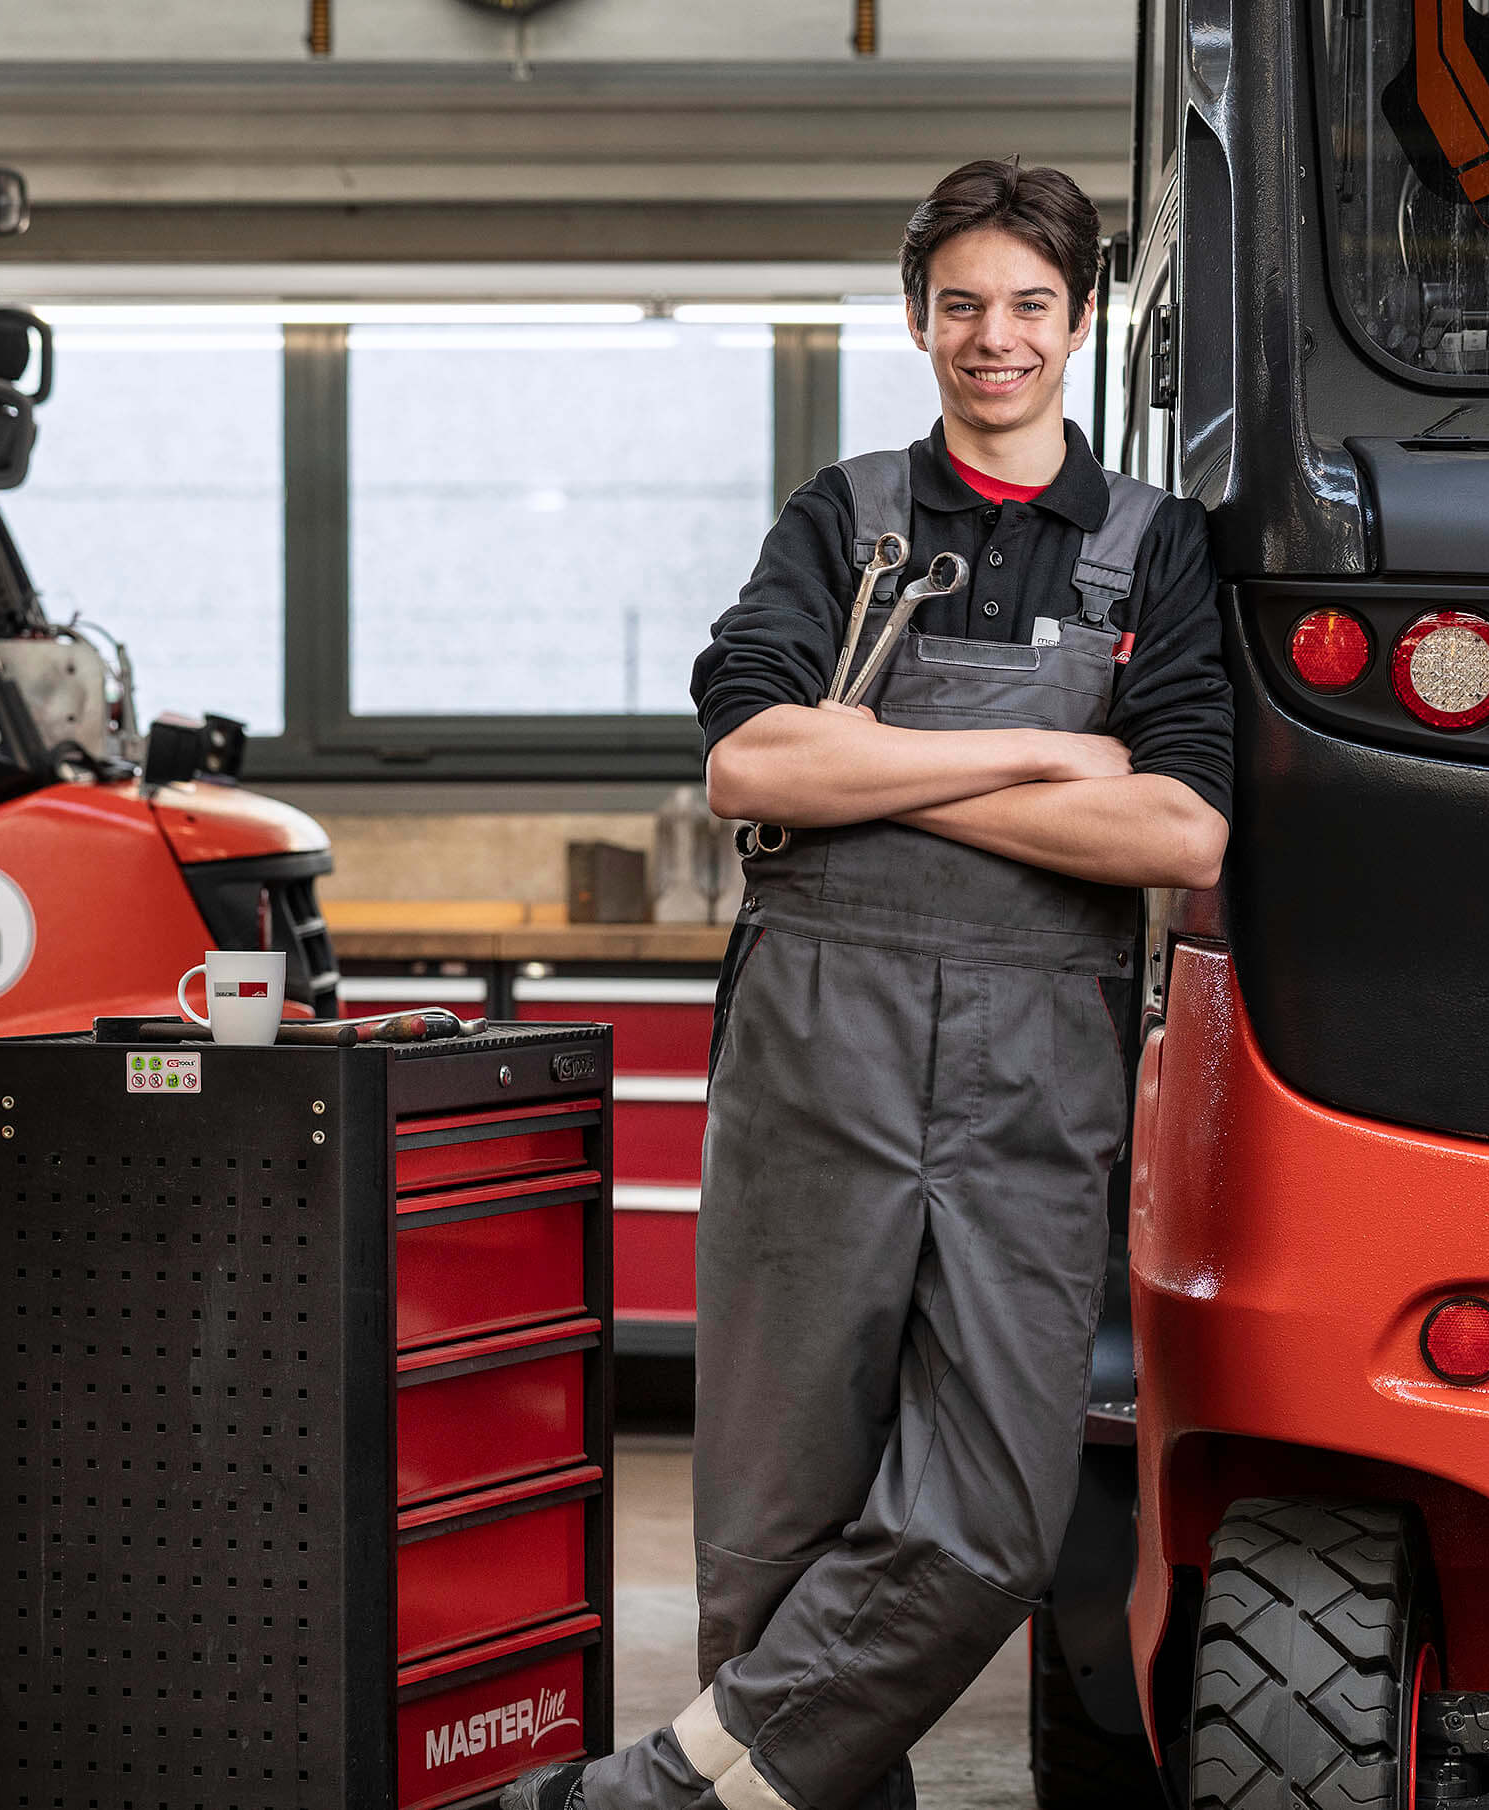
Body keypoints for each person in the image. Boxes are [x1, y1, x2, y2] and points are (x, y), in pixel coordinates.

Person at [503, 158, 1232, 1810]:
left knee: (989, 1511)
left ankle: (666, 1790)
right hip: (816, 1038)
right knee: (774, 1508)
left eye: (1030, 305)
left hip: (1035, 1062)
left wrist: (886, 757)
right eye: (962, 303)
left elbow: (1178, 821)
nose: (996, 338)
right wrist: (1051, 747)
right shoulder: (847, 518)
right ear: (919, 321)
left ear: (1082, 318)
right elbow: (755, 763)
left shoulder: (1153, 549)